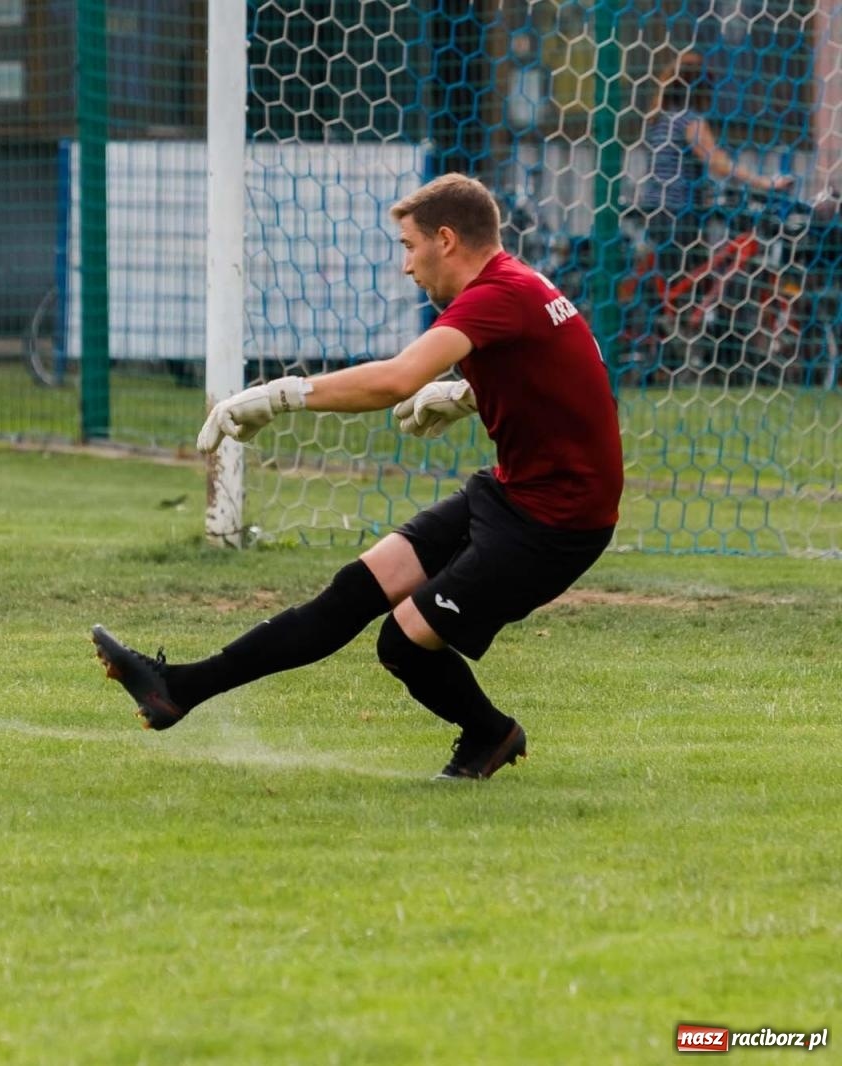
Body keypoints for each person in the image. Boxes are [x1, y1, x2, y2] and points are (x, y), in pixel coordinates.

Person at [90, 173, 623, 780]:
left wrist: (282, 395)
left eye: (408, 245)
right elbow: (561, 374)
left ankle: (490, 734)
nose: (405, 265)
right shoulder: (516, 286)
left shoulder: (496, 295)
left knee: (402, 643)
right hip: (514, 492)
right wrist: (468, 393)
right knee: (354, 590)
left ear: (445, 239)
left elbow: (395, 379)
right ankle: (177, 690)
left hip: (556, 522)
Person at [635, 50, 793, 288]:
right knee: (696, 285)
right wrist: (765, 182)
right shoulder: (689, 120)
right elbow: (717, 163)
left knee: (679, 282)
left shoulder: (659, 118)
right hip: (679, 214)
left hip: (656, 210)